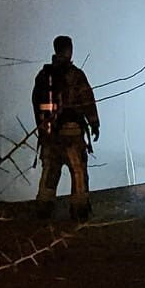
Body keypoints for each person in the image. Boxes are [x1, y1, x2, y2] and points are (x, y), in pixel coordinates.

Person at [33, 35, 99, 220]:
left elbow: (36, 102)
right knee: (78, 171)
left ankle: (43, 208)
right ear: (69, 50)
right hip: (72, 133)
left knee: (50, 171)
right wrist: (94, 123)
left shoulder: (44, 76)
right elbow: (87, 100)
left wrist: (43, 128)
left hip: (50, 134)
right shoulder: (76, 75)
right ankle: (79, 210)